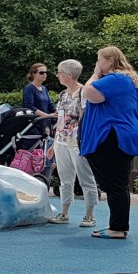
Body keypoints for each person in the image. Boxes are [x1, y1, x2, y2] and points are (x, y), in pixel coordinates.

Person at [80, 46, 138, 240]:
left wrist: (94, 75)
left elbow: (90, 93)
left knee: (115, 184)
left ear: (109, 61)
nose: (97, 64)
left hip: (113, 136)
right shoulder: (126, 80)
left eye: (99, 60)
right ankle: (116, 225)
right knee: (116, 183)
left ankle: (117, 228)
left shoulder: (116, 79)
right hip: (121, 136)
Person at [51, 58, 99, 226]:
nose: (57, 75)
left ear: (69, 75)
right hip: (61, 140)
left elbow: (87, 117)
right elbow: (60, 119)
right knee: (65, 178)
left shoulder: (83, 92)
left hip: (77, 141)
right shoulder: (63, 94)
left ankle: (90, 215)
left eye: (59, 72)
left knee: (86, 178)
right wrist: (53, 142)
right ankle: (64, 212)